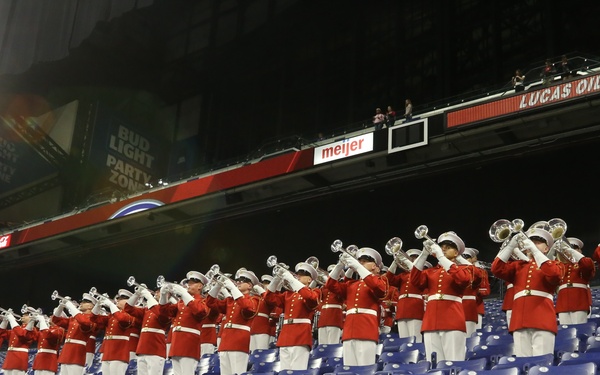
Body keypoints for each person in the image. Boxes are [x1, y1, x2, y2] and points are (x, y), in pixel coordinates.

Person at [410, 231, 482, 362]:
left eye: (448, 248)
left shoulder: (463, 269)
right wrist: (424, 253)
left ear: (456, 253)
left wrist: (441, 258)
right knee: (434, 364)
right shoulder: (430, 271)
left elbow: (463, 279)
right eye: (442, 247)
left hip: (452, 320)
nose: (443, 249)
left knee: (453, 361)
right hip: (431, 321)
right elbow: (414, 280)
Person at [491, 226, 561, 357]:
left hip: (542, 318)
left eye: (538, 242)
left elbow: (554, 275)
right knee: (522, 362)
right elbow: (496, 269)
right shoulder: (518, 266)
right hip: (519, 320)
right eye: (531, 241)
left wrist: (534, 251)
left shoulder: (552, 264)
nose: (532, 244)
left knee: (542, 361)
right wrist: (511, 246)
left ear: (546, 249)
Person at [326, 247, 389, 366]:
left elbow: (377, 288)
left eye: (365, 261)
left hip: (366, 330)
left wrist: (357, 266)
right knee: (349, 369)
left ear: (374, 266)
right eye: (360, 261)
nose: (361, 263)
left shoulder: (381, 280)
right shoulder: (351, 284)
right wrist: (340, 265)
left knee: (365, 369)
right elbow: (330, 285)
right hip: (349, 331)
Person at [265, 260, 321, 371]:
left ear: (309, 279)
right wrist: (277, 279)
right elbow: (268, 298)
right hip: (285, 336)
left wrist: (290, 279)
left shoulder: (314, 291)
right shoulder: (288, 294)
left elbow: (311, 298)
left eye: (302, 275)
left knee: (298, 371)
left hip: (300, 336)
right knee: (284, 371)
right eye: (297, 274)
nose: (298, 276)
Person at [206, 268, 260, 375]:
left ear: (250, 286)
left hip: (239, 342)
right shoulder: (230, 300)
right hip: (225, 342)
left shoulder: (254, 299)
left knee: (238, 373)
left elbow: (247, 307)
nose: (238, 282)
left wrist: (232, 288)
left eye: (242, 280)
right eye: (238, 280)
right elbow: (210, 303)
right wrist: (218, 286)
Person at [158, 271, 210, 375]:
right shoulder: (181, 302)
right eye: (188, 283)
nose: (188, 285)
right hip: (176, 342)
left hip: (189, 343)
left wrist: (184, 294)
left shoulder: (203, 301)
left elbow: (200, 312)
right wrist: (163, 296)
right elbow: (164, 312)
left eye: (192, 283)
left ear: (200, 286)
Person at [124, 286, 172, 375]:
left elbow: (160, 314)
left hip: (155, 350)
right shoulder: (147, 310)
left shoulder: (169, 309)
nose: (156, 293)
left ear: (168, 294)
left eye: (159, 291)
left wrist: (149, 297)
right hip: (142, 349)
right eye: (156, 291)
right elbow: (128, 308)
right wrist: (136, 294)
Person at [90, 289, 138, 375]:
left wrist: (110, 304)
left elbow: (122, 319)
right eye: (118, 298)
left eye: (122, 298)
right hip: (107, 352)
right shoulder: (111, 316)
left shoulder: (131, 315)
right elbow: (93, 318)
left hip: (119, 353)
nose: (118, 300)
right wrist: (98, 305)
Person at [385, 249, 425, 343]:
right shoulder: (402, 276)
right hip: (402, 310)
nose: (411, 261)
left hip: (415, 309)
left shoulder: (422, 273)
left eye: (414, 259)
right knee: (404, 340)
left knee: (415, 339)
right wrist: (395, 262)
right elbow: (388, 280)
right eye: (410, 259)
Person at [51, 295, 97, 375]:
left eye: (84, 302)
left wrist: (70, 306)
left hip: (76, 353)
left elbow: (84, 322)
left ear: (90, 306)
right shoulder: (74, 318)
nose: (81, 303)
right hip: (66, 352)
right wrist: (61, 306)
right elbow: (56, 320)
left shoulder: (92, 319)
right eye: (81, 302)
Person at [554, 237, 595, 325]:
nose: (568, 251)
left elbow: (588, 265)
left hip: (579, 301)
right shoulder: (561, 266)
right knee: (564, 331)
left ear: (579, 251)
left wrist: (572, 251)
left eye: (574, 249)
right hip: (563, 303)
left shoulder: (582, 264)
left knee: (579, 328)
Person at [460, 248, 490, 336]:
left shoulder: (480, 272)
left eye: (467, 258)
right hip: (457, 306)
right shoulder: (455, 271)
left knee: (473, 335)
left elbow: (485, 290)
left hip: (474, 305)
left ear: (473, 259)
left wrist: (477, 292)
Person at [0, 311, 35, 375]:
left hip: (19, 358)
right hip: (9, 358)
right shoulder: (16, 329)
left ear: (31, 318)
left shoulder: (32, 329)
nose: (23, 316)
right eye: (23, 315)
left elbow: (21, 334)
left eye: (26, 315)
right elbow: (1, 333)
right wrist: (5, 321)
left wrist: (12, 320)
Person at [249, 275, 276, 351]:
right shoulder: (256, 297)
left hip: (263, 329)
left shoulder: (268, 297)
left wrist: (260, 289)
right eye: (264, 283)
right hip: (252, 328)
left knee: (262, 351)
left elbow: (269, 300)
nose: (265, 285)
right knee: (251, 354)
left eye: (267, 283)